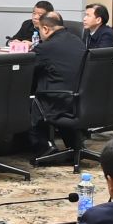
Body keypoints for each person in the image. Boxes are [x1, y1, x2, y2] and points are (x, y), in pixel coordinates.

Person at [28, 10, 85, 151]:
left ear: (45, 29)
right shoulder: (77, 41)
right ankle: (75, 145)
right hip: (80, 99)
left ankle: (45, 148)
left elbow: (27, 70)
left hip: (58, 101)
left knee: (34, 97)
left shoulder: (45, 48)